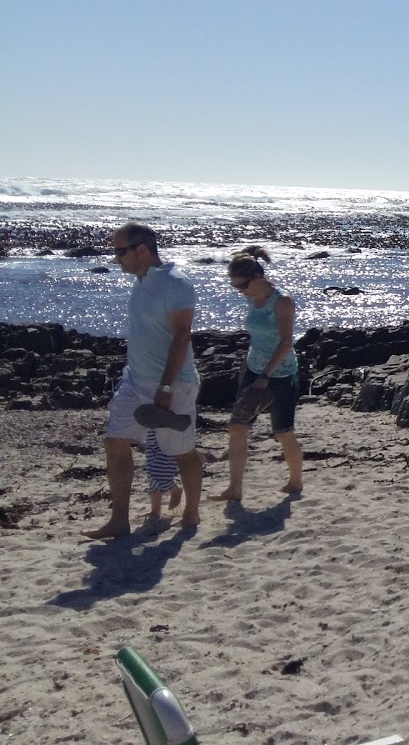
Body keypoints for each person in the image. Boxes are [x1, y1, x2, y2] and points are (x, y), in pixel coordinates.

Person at [85, 223, 202, 539]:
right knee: (115, 441)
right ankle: (119, 520)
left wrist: (165, 386)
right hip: (135, 381)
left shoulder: (175, 283)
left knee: (182, 450)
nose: (116, 258)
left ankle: (192, 511)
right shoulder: (140, 282)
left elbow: (182, 336)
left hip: (174, 384)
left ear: (141, 249)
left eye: (120, 251)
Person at [211, 247, 304, 501]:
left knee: (283, 432)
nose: (239, 291)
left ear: (256, 277)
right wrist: (250, 371)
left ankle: (295, 482)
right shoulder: (251, 298)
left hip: (281, 375)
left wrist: (266, 375)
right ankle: (235, 489)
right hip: (254, 370)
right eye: (234, 287)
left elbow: (286, 343)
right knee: (237, 428)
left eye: (241, 285)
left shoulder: (282, 301)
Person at [143, 430, 182, 528]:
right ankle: (156, 510)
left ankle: (174, 491)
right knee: (152, 473)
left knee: (157, 473)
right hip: (151, 438)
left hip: (167, 434)